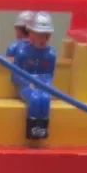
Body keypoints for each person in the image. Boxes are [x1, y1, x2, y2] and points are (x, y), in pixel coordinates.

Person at [11, 11, 56, 140]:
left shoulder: (51, 54)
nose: (44, 39)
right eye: (40, 35)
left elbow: (49, 74)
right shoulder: (22, 52)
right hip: (26, 85)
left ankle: (43, 128)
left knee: (45, 98)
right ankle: (32, 128)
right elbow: (15, 75)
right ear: (31, 34)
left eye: (46, 35)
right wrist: (27, 82)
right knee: (35, 98)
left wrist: (46, 84)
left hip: (42, 85)